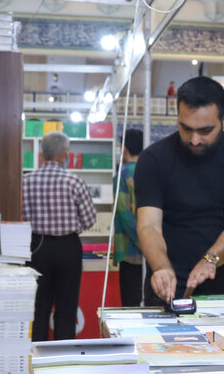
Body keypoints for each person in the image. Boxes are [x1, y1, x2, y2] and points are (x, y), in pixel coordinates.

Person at [136, 76, 224, 302]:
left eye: (205, 130)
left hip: (221, 287)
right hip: (165, 285)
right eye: (185, 129)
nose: (195, 139)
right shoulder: (154, 159)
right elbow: (149, 225)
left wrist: (210, 261)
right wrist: (161, 267)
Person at [23, 130, 98, 340]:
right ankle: (63, 356)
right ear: (64, 152)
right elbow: (90, 218)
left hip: (37, 246)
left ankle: (35, 354)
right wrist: (72, 227)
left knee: (39, 304)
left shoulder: (26, 181)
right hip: (68, 246)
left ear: (42, 153)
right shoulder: (74, 181)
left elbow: (20, 218)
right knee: (67, 304)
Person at [113, 129, 144, 306]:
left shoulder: (123, 175)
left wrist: (143, 243)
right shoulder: (149, 171)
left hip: (131, 250)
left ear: (124, 149)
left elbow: (125, 216)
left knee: (131, 305)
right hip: (152, 249)